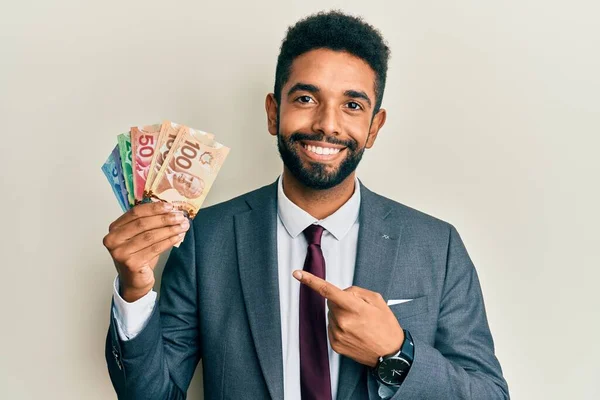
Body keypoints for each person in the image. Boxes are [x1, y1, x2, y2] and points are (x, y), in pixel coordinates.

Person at [103, 11, 509, 400]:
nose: (327, 125)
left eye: (352, 105)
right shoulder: (206, 241)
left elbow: (490, 395)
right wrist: (134, 291)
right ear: (272, 112)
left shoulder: (437, 247)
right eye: (305, 98)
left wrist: (397, 354)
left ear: (374, 127)